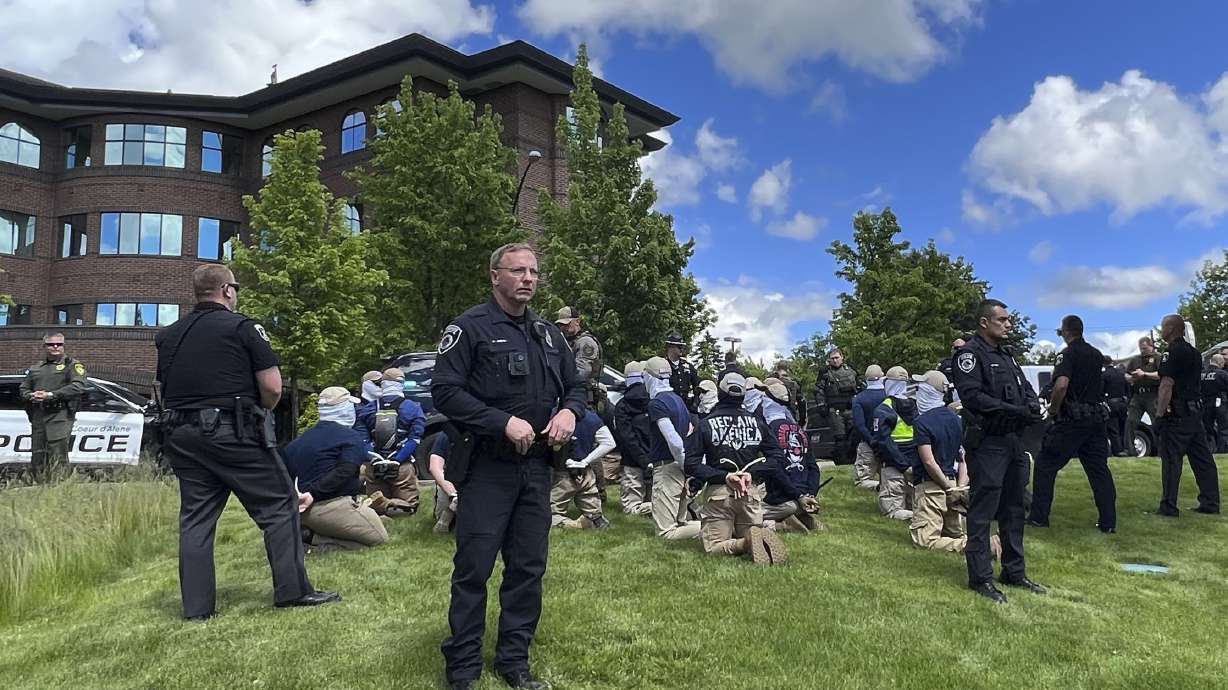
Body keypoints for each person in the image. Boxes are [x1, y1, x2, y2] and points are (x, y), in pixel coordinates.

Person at [432, 243, 586, 690]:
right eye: (518, 270)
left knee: (527, 569)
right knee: (474, 568)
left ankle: (513, 661)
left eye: (534, 271)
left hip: (536, 469)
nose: (528, 278)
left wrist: (569, 412)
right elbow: (444, 392)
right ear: (494, 275)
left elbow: (577, 386)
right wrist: (501, 422)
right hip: (486, 468)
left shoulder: (547, 334)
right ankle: (462, 668)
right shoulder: (469, 328)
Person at [155, 264, 337, 620]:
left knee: (195, 519)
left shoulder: (168, 335)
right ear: (226, 290)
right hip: (231, 432)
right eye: (234, 287)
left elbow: (165, 386)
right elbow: (271, 387)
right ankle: (293, 591)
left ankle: (197, 609)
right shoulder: (243, 328)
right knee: (280, 504)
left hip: (181, 436)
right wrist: (261, 412)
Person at [951, 299, 1046, 604]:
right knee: (983, 511)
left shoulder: (1007, 355)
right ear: (984, 322)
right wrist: (1011, 410)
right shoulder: (969, 355)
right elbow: (972, 396)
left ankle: (1014, 571)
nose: (1008, 325)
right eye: (1002, 320)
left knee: (1015, 507)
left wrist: (1031, 407)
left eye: (1008, 320)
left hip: (1014, 440)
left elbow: (1024, 387)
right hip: (989, 440)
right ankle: (980, 577)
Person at [685, 373, 790, 564]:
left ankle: (745, 544)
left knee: (714, 547)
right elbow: (777, 458)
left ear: (721, 393)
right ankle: (758, 536)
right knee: (748, 527)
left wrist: (725, 477)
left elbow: (691, 464)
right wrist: (752, 474)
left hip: (719, 493)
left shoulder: (705, 424)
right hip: (750, 494)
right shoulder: (758, 422)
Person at [1027, 316, 1117, 533]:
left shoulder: (1067, 354)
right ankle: (1108, 522)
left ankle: (1039, 517)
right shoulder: (1096, 354)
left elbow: (1061, 386)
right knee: (1099, 471)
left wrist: (1053, 411)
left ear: (1067, 332)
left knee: (1045, 464)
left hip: (1072, 421)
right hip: (1096, 420)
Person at [284, 387, 388, 551]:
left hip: (299, 510)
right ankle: (313, 539)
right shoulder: (350, 437)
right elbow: (346, 470)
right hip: (331, 505)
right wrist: (314, 493)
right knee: (378, 537)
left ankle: (306, 532)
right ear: (345, 408)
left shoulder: (298, 442)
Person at [909, 371, 985, 554]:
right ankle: (981, 544)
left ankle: (985, 546)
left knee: (924, 540)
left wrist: (946, 487)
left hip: (931, 485)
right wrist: (959, 486)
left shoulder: (922, 422)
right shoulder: (955, 419)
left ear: (927, 391)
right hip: (952, 481)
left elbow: (928, 461)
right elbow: (963, 457)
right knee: (954, 533)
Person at [1153, 314, 1220, 517]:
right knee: (1202, 459)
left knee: (1172, 459)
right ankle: (1210, 501)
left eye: (1163, 327)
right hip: (1194, 413)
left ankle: (1169, 505)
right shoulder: (1194, 353)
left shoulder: (1171, 353)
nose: (1161, 330)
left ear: (1172, 329)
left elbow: (1167, 384)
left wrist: (1159, 414)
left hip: (1178, 414)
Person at [643, 356, 701, 541]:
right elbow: (690, 431)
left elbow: (674, 440)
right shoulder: (678, 400)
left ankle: (718, 525)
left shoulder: (657, 403)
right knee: (681, 522)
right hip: (680, 467)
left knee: (666, 532)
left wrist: (685, 463)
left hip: (668, 467)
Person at [357, 367, 426, 517]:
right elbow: (415, 438)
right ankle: (393, 506)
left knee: (373, 508)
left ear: (383, 384)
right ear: (401, 383)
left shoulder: (367, 409)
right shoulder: (414, 408)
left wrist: (375, 458)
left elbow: (362, 440)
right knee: (410, 507)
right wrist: (397, 459)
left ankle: (380, 506)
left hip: (374, 466)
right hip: (403, 466)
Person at [19, 332, 87, 482]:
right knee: (38, 454)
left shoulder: (72, 365)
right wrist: (32, 395)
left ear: (64, 345)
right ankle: (39, 486)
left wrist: (51, 395)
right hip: (39, 415)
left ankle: (59, 486)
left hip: (60, 414)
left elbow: (78, 387)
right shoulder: (36, 368)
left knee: (57, 453)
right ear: (44, 346)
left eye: (59, 344)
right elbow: (23, 389)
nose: (55, 346)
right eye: (51, 344)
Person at [760, 382, 823, 533]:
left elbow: (775, 471)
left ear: (768, 401)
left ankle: (782, 525)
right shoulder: (800, 431)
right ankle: (803, 517)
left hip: (782, 499)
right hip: (802, 497)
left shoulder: (766, 430)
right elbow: (813, 467)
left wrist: (799, 496)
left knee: (741, 516)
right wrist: (810, 494)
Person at [550, 410, 615, 529]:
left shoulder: (553, 414)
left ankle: (573, 525)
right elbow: (609, 443)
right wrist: (585, 461)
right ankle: (595, 520)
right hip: (586, 473)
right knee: (594, 513)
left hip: (562, 473)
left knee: (550, 515)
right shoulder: (592, 417)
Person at [870, 366, 916, 521]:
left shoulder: (883, 409)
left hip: (893, 465)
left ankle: (919, 519)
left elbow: (883, 441)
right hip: (914, 464)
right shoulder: (917, 406)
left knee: (891, 510)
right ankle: (920, 515)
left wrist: (901, 464)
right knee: (914, 502)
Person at [613, 361, 653, 515]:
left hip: (632, 461)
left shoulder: (622, 406)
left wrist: (642, 460)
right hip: (656, 460)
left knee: (631, 509)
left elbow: (626, 437)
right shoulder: (654, 400)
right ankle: (657, 505)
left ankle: (654, 506)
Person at [814, 348, 862, 463]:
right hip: (835, 410)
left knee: (854, 435)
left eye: (837, 358)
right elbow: (818, 390)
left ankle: (853, 459)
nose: (835, 360)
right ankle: (842, 462)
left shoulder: (851, 370)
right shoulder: (825, 373)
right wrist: (821, 405)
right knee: (840, 438)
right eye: (832, 358)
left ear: (842, 358)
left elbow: (860, 386)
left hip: (850, 408)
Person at [555, 306, 603, 407]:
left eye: (566, 324)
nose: (563, 328)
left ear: (577, 321)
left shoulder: (585, 342)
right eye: (560, 325)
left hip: (584, 397)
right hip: (572, 395)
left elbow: (582, 371)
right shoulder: (567, 341)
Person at [850, 364, 886, 491]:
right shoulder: (888, 395)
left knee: (862, 481)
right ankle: (885, 486)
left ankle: (877, 487)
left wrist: (871, 441)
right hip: (888, 443)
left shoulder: (858, 399)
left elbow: (859, 425)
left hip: (867, 444)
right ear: (882, 376)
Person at [1125, 336, 1161, 455]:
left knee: (1157, 422)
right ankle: (1130, 450)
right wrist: (1130, 378)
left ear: (1151, 346)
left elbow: (1161, 375)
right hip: (1138, 394)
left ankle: (1162, 449)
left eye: (1145, 348)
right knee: (1131, 421)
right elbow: (1126, 373)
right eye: (1141, 348)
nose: (1142, 351)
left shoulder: (1158, 358)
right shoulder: (1135, 360)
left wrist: (1144, 374)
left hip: (1153, 394)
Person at [428, 433, 458, 535]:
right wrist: (453, 495)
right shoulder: (445, 436)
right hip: (451, 483)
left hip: (478, 484)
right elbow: (435, 467)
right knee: (441, 519)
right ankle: (451, 510)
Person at [664, 332, 702, 412]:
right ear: (670, 347)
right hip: (669, 407)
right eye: (679, 346)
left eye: (682, 346)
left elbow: (697, 386)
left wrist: (695, 403)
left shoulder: (688, 366)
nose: (682, 349)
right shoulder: (663, 365)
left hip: (686, 407)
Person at [1102, 356, 1130, 457]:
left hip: (1111, 403)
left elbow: (1101, 391)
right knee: (1123, 426)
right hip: (1123, 402)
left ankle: (1117, 450)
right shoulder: (1121, 374)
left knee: (1113, 428)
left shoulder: (1104, 375)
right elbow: (1128, 389)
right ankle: (1125, 448)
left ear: (1104, 364)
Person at [1200, 354, 1228, 453]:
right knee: (1223, 427)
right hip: (1220, 403)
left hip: (1206, 404)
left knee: (1207, 427)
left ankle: (1208, 448)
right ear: (1220, 362)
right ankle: (1223, 449)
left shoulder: (1202, 375)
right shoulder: (1222, 374)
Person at [772, 361, 806, 427]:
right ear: (788, 369)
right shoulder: (794, 384)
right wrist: (802, 421)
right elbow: (802, 403)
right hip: (791, 415)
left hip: (773, 417)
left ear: (777, 369)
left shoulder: (770, 382)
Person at [353, 370, 383, 445]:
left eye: (382, 383)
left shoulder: (389, 404)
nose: (380, 386)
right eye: (376, 383)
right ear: (365, 385)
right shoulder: (357, 408)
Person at [938, 338, 966, 404]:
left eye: (962, 347)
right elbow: (937, 379)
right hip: (948, 398)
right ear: (952, 349)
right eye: (956, 348)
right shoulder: (944, 363)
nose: (959, 350)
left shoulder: (973, 362)